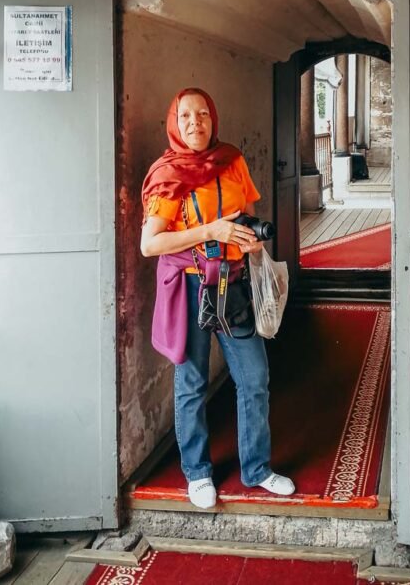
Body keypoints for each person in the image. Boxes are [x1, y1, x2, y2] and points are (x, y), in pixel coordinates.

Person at [140, 87, 295, 510]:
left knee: (254, 377)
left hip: (234, 281)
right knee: (192, 380)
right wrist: (211, 231)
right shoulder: (167, 173)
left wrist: (249, 240)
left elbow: (244, 215)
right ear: (174, 123)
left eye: (203, 114)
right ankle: (197, 472)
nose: (195, 122)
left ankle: (257, 469)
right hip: (191, 286)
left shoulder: (232, 161)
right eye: (186, 116)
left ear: (213, 117)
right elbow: (150, 244)